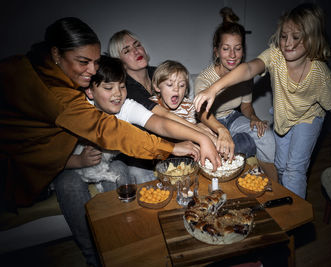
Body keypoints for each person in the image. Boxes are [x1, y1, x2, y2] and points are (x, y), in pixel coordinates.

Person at [0, 17, 220, 267]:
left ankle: (128, 239)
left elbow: (157, 122)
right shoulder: (60, 95)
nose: (92, 70)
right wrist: (172, 147)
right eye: (84, 62)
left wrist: (200, 135)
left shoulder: (92, 89)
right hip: (52, 167)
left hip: (99, 163)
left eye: (95, 62)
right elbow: (110, 132)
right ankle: (95, 257)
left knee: (122, 172)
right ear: (56, 54)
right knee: (70, 186)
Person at [193, 3, 331, 199]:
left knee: (294, 170)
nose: (288, 43)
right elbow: (246, 71)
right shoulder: (274, 56)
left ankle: (292, 211)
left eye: (296, 37)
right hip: (278, 116)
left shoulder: (320, 75)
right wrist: (213, 91)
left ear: (312, 39)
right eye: (284, 36)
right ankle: (276, 192)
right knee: (281, 166)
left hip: (308, 119)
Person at [108, 30, 233, 175]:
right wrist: (202, 135)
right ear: (119, 60)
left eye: (137, 45)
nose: (136, 51)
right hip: (149, 144)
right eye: (127, 50)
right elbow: (164, 117)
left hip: (177, 131)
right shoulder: (126, 87)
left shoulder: (160, 72)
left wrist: (220, 129)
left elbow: (194, 107)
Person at [194, 7, 278, 181]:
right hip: (211, 121)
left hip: (233, 117)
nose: (232, 55)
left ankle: (273, 185)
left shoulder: (244, 74)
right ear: (216, 51)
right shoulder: (204, 79)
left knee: (266, 136)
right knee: (220, 147)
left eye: (238, 49)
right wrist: (222, 130)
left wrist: (253, 117)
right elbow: (201, 114)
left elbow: (245, 106)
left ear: (243, 50)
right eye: (226, 49)